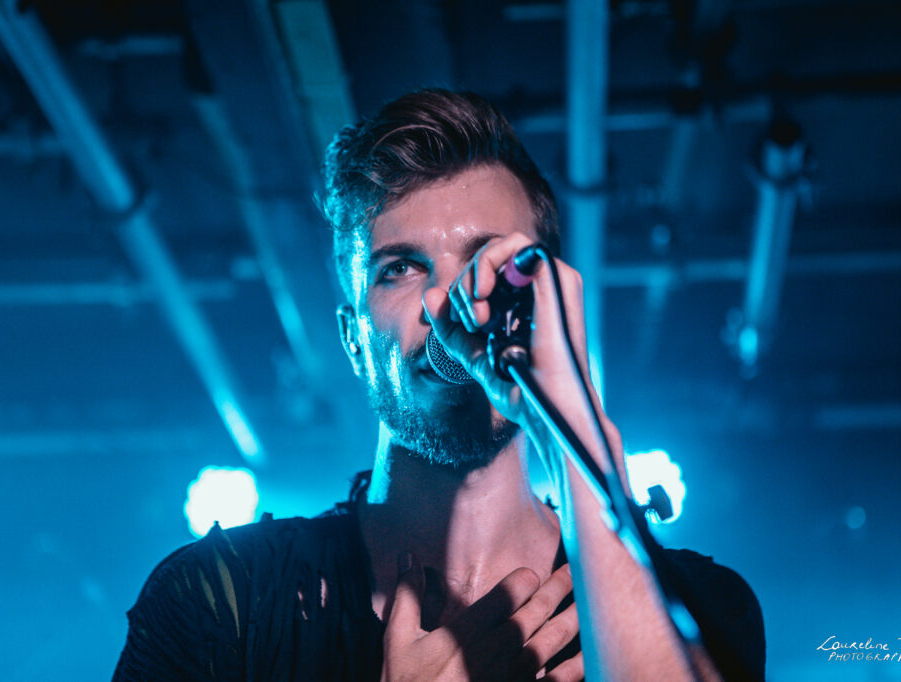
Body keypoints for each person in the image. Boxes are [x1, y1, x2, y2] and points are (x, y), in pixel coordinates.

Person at [114, 89, 764, 681]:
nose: (451, 301)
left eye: (489, 261)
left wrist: (572, 423)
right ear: (353, 340)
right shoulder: (220, 603)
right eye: (399, 269)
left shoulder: (700, 605)